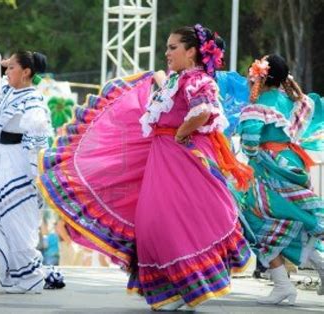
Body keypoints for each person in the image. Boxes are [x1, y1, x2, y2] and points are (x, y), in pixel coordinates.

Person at [38, 24, 253, 310]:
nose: (167, 53)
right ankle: (177, 289)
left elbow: (203, 111)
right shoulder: (180, 79)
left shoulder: (199, 80)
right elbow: (169, 97)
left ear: (191, 52)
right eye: (167, 47)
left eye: (173, 47)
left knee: (169, 221)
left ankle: (188, 286)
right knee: (153, 221)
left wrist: (179, 133)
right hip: (164, 155)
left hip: (183, 157)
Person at [237, 54, 324, 303]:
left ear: (259, 77)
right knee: (296, 217)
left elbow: (251, 143)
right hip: (292, 163)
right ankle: (315, 271)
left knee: (254, 218)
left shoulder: (258, 106)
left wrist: (250, 155)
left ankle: (282, 283)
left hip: (269, 168)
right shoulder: (292, 100)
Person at [0, 51, 52, 293]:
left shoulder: (33, 99)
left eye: (12, 67)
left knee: (18, 217)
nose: (7, 71)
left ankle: (32, 276)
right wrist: (4, 63)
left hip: (19, 162)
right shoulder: (9, 92)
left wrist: (34, 171)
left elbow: (38, 132)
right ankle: (19, 274)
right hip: (3, 158)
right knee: (5, 217)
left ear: (26, 72)